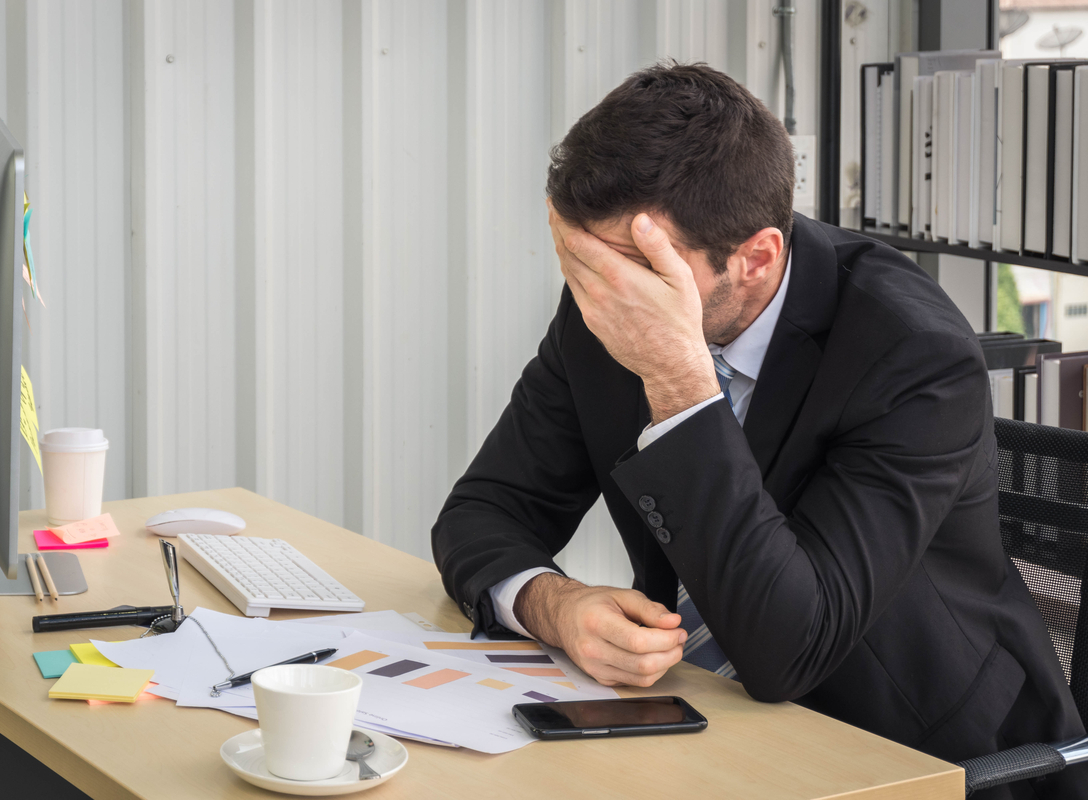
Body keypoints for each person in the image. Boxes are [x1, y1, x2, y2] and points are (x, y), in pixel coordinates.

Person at [430, 62, 1086, 797]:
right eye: (585, 263)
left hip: (922, 751)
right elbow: (481, 513)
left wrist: (678, 384)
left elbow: (791, 649)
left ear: (756, 259)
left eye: (632, 268)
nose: (600, 294)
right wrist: (553, 604)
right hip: (712, 719)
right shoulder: (614, 302)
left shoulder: (913, 355)